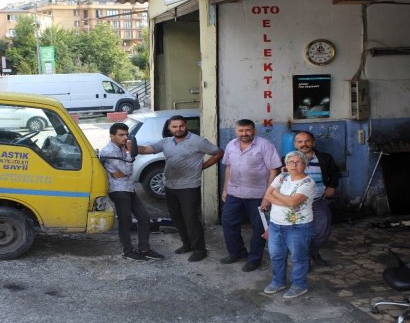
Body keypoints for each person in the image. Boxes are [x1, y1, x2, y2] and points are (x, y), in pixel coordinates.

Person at [138, 115, 224, 262]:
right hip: (170, 185)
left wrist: (202, 166)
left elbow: (218, 153)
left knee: (191, 219)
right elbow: (147, 149)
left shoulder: (198, 141)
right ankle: (187, 244)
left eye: (181, 126)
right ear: (169, 128)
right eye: (174, 127)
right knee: (177, 218)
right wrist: (131, 146)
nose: (178, 129)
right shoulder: (166, 142)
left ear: (186, 126)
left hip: (189, 187)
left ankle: (199, 249)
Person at [220, 119, 281, 272]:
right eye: (241, 131)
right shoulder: (231, 145)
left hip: (258, 194)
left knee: (258, 228)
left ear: (254, 130)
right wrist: (225, 189)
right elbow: (229, 167)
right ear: (236, 131)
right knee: (228, 222)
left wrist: (268, 196)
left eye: (247, 130)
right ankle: (237, 252)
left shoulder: (265, 145)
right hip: (234, 192)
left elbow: (274, 170)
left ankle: (254, 259)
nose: (244, 134)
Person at [100, 122, 165, 261]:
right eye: (121, 135)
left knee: (144, 217)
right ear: (112, 136)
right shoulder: (109, 151)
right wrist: (129, 155)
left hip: (128, 187)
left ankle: (144, 249)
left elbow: (124, 173)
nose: (125, 137)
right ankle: (127, 251)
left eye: (126, 134)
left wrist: (123, 170)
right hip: (118, 190)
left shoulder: (123, 148)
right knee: (125, 220)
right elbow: (128, 170)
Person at [262, 151, 315, 299]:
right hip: (276, 225)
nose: (293, 165)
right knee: (276, 255)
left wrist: (276, 194)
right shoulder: (281, 177)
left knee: (298, 257)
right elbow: (267, 195)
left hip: (298, 227)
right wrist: (283, 199)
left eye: (298, 162)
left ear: (305, 165)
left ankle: (299, 285)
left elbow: (293, 202)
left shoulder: (308, 182)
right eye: (290, 162)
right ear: (286, 164)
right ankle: (278, 282)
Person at [293, 131, 340, 267]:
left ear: (313, 142)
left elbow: (335, 173)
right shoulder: (289, 159)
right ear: (295, 144)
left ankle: (312, 252)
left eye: (307, 141)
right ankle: (304, 259)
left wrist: (332, 187)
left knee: (323, 229)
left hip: (318, 200)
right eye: (300, 142)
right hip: (297, 203)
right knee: (300, 233)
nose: (304, 144)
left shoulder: (325, 158)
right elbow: (282, 178)